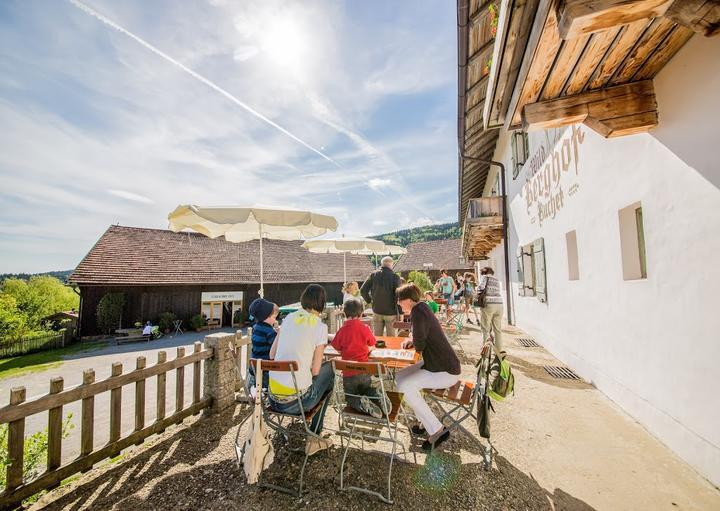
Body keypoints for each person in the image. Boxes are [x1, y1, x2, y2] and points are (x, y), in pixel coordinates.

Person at [268, 284, 335, 456]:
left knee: (309, 375)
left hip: (272, 400)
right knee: (330, 371)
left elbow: (272, 354)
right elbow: (315, 371)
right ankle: (314, 437)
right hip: (298, 403)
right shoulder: (320, 327)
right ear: (321, 303)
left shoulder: (288, 319)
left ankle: (313, 435)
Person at [395, 283, 461, 451]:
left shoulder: (418, 312)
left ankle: (437, 430)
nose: (398, 303)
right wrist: (412, 340)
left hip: (445, 371)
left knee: (404, 385)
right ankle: (423, 422)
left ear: (408, 300)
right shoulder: (421, 308)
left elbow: (419, 344)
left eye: (400, 300)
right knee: (400, 377)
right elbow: (420, 339)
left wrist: (411, 341)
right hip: (440, 364)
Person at [331, 299, 386, 418]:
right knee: (366, 389)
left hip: (349, 374)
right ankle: (377, 396)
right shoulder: (364, 328)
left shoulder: (341, 331)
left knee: (350, 398)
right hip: (364, 371)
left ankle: (361, 403)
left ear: (344, 314)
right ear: (361, 314)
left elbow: (336, 346)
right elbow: (372, 342)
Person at [360, 256, 401, 336]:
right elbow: (398, 295)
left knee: (377, 337)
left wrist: (370, 301)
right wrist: (400, 312)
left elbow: (363, 290)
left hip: (377, 310)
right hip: (391, 311)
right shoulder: (395, 277)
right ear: (391, 265)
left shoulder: (373, 275)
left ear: (381, 264)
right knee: (391, 338)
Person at [246, 298, 279, 391]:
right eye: (274, 317)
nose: (275, 320)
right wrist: (278, 335)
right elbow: (277, 348)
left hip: (254, 368)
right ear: (266, 317)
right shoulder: (269, 332)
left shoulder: (256, 327)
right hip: (266, 370)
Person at [477, 267, 504, 354]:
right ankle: (498, 351)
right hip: (499, 304)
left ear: (484, 273)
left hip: (489, 304)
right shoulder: (496, 280)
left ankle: (485, 351)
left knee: (485, 328)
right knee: (497, 330)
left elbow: (480, 288)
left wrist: (476, 290)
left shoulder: (485, 278)